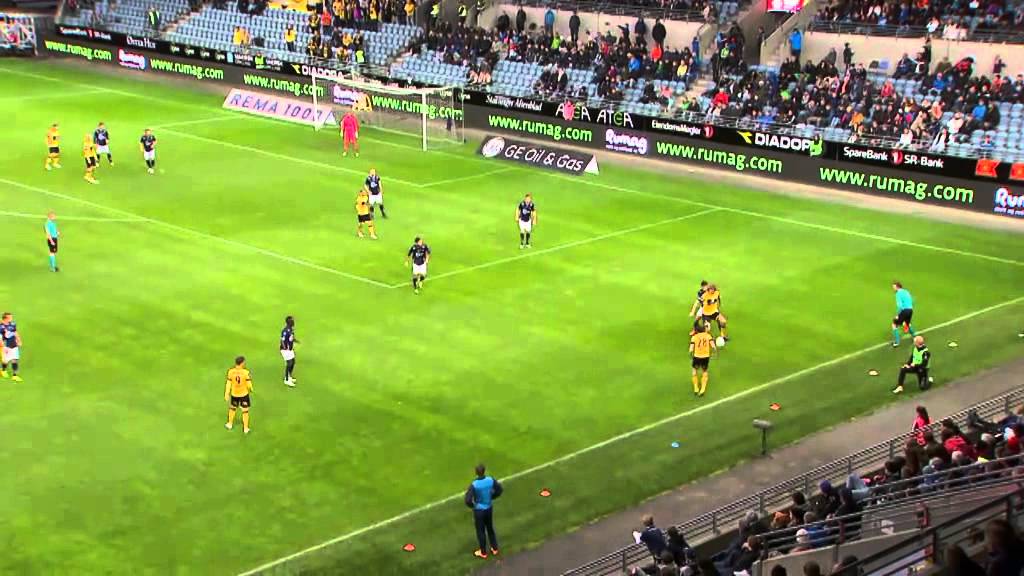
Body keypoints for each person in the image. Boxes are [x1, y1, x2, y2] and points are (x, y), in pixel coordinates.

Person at [464, 463, 502, 559]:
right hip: (489, 508)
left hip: (479, 511)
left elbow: (467, 500)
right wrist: (492, 497)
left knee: (480, 531)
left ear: (476, 473)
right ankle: (495, 548)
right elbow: (499, 490)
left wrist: (473, 505)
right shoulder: (490, 480)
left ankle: (483, 552)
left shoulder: (474, 484)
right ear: (484, 471)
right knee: (490, 528)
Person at [224, 355, 253, 434]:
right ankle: (245, 428)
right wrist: (251, 389)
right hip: (244, 394)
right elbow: (249, 384)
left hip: (234, 394)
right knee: (245, 411)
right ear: (242, 363)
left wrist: (226, 393)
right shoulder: (245, 372)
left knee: (232, 408)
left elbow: (228, 383)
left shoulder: (231, 371)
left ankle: (229, 424)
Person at [689, 321, 716, 397]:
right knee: (704, 371)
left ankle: (696, 388)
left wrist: (691, 355)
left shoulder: (694, 337)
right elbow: (713, 346)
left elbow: (691, 349)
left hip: (697, 356)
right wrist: (714, 353)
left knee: (694, 371)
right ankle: (703, 389)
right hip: (705, 356)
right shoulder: (708, 336)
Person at [891, 281, 916, 346]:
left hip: (904, 311)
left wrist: (897, 315)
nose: (893, 288)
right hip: (910, 310)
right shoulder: (906, 291)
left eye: (894, 287)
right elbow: (912, 300)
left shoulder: (898, 293)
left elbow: (900, 306)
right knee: (908, 324)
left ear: (897, 287)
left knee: (894, 324)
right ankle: (915, 338)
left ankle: (897, 342)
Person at [0, 313, 22, 382]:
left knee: (14, 360)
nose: (11, 318)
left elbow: (15, 332)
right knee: (5, 361)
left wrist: (19, 340)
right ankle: (3, 370)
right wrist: (3, 347)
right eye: (10, 317)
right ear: (5, 318)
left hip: (13, 345)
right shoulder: (1, 327)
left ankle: (15, 376)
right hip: (6, 346)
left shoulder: (12, 324)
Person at [280, 316, 298, 387]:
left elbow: (291, 337)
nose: (293, 322)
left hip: (290, 349)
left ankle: (289, 376)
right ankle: (286, 380)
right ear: (289, 322)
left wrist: (295, 341)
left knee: (293, 362)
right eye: (292, 321)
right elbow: (282, 340)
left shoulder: (291, 329)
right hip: (285, 350)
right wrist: (285, 348)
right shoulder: (285, 331)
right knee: (289, 363)